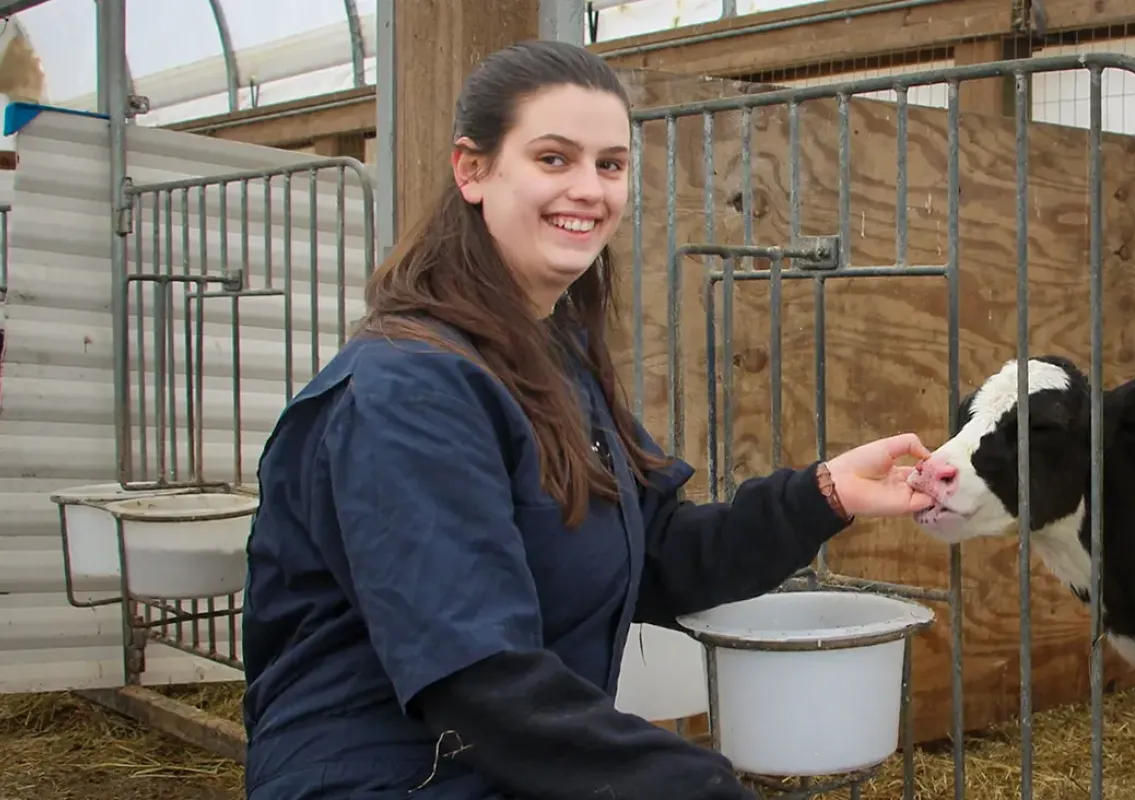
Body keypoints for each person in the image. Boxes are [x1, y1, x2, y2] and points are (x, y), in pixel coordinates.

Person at [237, 39, 936, 800]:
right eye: (552, 159)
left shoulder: (547, 356)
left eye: (610, 164)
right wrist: (703, 786)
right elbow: (478, 677)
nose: (589, 189)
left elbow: (655, 555)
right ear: (472, 170)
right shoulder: (407, 395)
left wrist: (823, 495)